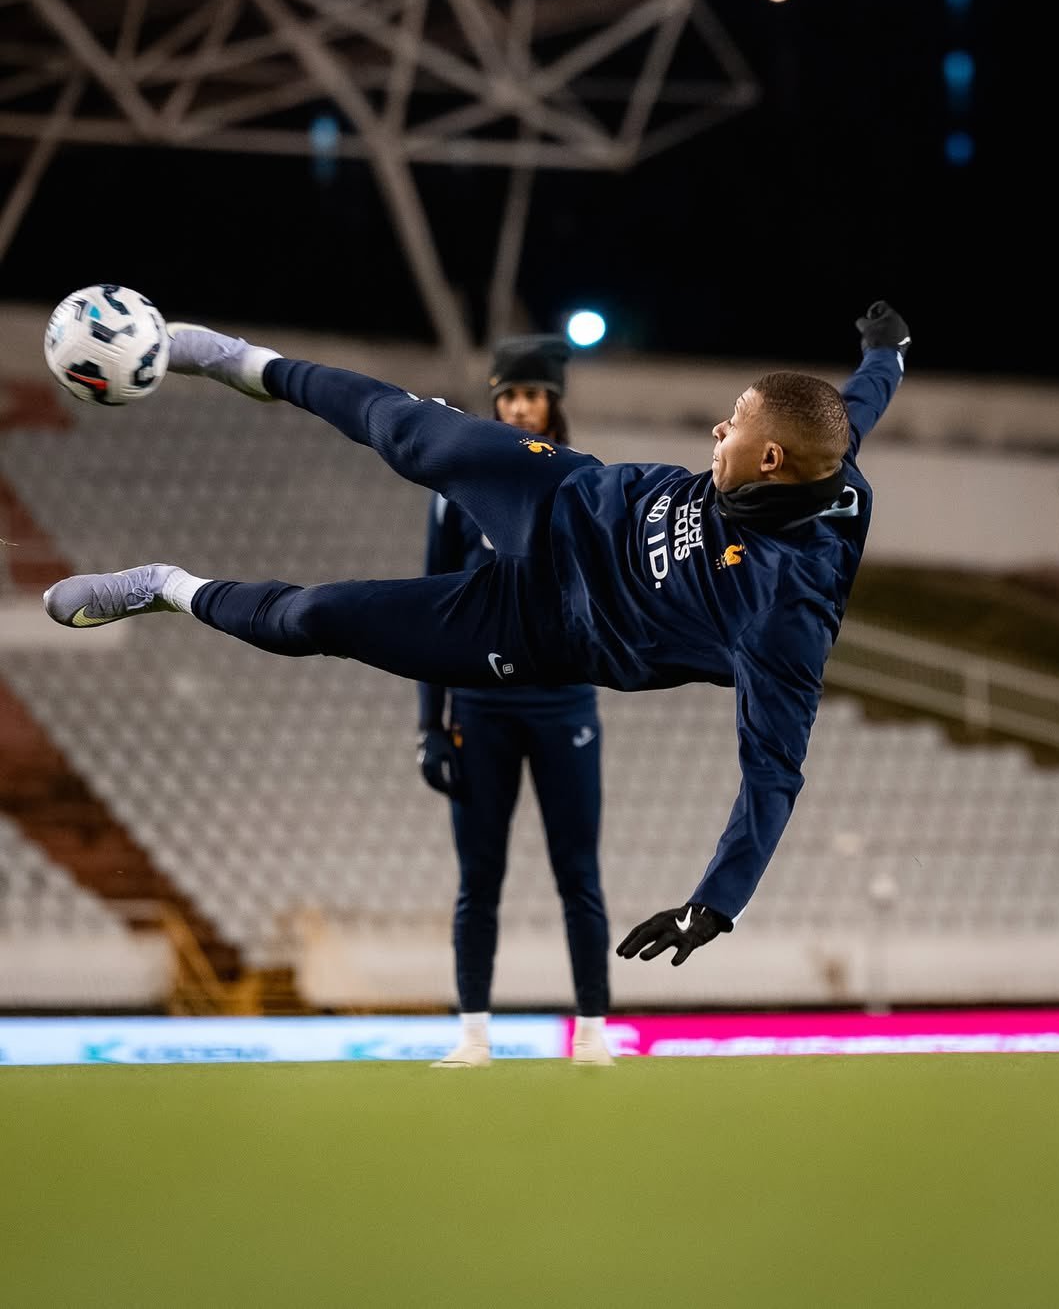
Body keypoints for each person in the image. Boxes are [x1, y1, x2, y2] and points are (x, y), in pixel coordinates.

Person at [43, 301, 911, 973]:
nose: (719, 429)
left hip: (537, 627)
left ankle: (165, 587)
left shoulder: (783, 613)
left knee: (317, 621)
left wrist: (715, 903)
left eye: (736, 425)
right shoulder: (821, 455)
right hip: (564, 497)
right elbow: (849, 411)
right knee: (404, 428)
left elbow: (773, 772)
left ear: (770, 463)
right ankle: (238, 361)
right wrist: (886, 354)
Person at [417, 334, 612, 1067]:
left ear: (553, 402)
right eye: (508, 395)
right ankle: (472, 1036)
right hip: (479, 708)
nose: (520, 407)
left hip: (564, 709)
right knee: (479, 880)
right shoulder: (457, 490)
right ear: (495, 403)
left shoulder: (586, 486)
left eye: (531, 394)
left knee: (579, 875)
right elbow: (433, 609)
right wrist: (428, 726)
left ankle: (593, 1034)